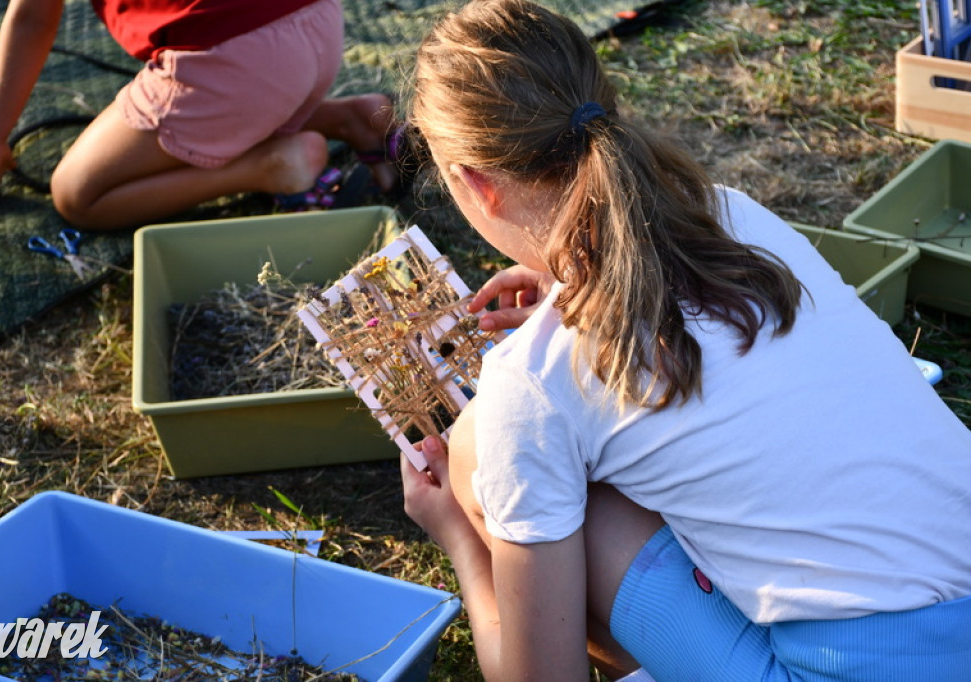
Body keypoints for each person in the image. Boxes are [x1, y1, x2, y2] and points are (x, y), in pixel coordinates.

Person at [397, 1, 971, 680]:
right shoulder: (730, 212)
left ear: (475, 185)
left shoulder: (533, 385)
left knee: (480, 457)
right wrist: (571, 288)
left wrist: (461, 541)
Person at [0, 0, 398, 230]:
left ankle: (273, 165)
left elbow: (31, 20)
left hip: (236, 59)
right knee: (248, 97)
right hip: (318, 21)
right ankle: (351, 118)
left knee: (77, 194)